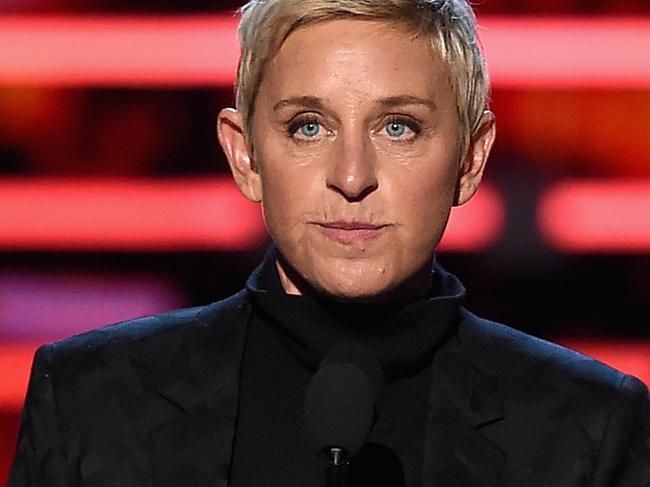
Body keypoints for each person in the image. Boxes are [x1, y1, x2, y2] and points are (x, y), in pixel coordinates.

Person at [8, 0, 650, 485]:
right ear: (245, 156)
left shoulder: (587, 428)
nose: (352, 176)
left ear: (471, 159)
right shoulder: (88, 400)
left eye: (398, 127)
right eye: (308, 126)